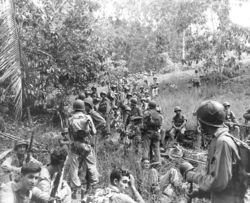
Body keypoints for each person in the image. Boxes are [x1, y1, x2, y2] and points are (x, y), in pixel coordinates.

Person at [179, 100, 248, 203]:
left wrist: (191, 175)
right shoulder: (217, 140)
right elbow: (227, 180)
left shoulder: (223, 142)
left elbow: (218, 182)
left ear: (204, 123)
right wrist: (201, 192)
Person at [65, 99, 99, 198]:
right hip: (86, 145)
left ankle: (77, 187)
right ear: (83, 108)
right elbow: (94, 132)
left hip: (75, 145)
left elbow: (69, 133)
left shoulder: (70, 119)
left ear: (74, 108)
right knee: (91, 165)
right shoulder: (87, 117)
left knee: (74, 167)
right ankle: (94, 184)